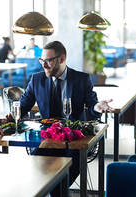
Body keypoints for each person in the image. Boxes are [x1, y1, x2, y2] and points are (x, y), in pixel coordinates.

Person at [19, 40, 114, 197]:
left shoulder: (81, 79)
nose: (44, 65)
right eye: (42, 60)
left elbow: (91, 107)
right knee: (34, 175)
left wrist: (97, 108)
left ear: (62, 59)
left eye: (48, 60)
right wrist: (11, 116)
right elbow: (23, 105)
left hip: (74, 143)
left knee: (58, 182)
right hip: (47, 141)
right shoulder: (37, 79)